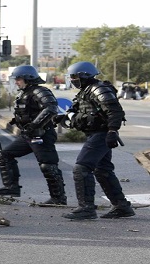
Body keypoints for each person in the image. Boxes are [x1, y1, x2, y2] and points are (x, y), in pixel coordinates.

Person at [61, 61, 135, 220]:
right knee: (102, 170)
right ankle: (121, 206)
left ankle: (86, 208)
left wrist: (112, 131)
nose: (72, 80)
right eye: (71, 77)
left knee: (81, 168)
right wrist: (63, 117)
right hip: (93, 133)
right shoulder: (84, 91)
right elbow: (78, 110)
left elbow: (115, 111)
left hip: (101, 134)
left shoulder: (98, 89)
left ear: (84, 75)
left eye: (74, 76)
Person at [0, 65, 67, 206]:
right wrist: (18, 121)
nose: (16, 82)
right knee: (4, 155)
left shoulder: (40, 91)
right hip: (27, 135)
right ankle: (11, 188)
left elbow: (51, 108)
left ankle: (58, 198)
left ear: (28, 78)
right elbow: (27, 111)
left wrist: (34, 125)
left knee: (48, 165)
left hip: (42, 134)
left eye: (18, 79)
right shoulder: (24, 93)